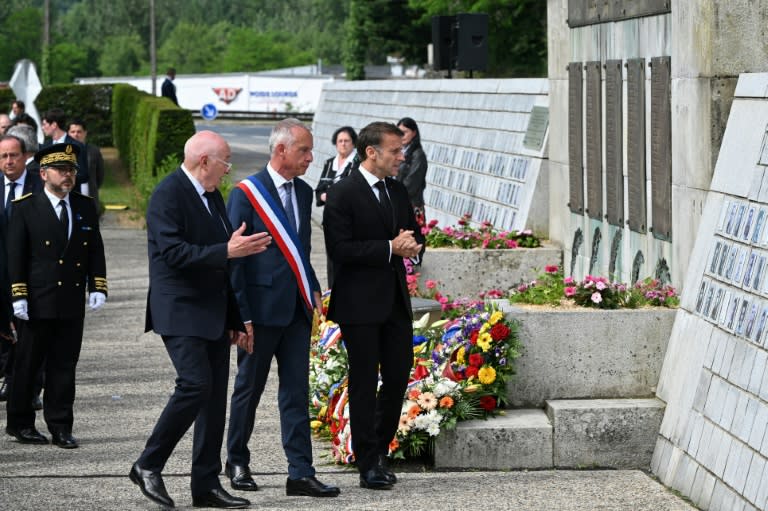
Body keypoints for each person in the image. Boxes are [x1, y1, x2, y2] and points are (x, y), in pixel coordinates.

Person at [129, 131, 271, 510]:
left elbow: (221, 263)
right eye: (225, 162)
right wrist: (227, 249)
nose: (227, 171)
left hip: (211, 312)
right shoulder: (168, 194)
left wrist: (236, 318)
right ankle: (148, 464)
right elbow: (173, 253)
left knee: (212, 400)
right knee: (194, 386)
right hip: (179, 309)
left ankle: (205, 485)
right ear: (204, 161)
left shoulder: (211, 197)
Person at [225, 118, 340, 498]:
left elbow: (300, 251)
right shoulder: (246, 193)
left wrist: (314, 288)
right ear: (281, 151)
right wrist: (240, 316)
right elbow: (235, 261)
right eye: (304, 150)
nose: (310, 157)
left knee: (295, 391)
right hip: (259, 310)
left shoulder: (305, 193)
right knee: (249, 389)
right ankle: (237, 461)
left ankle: (300, 472)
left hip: (296, 309)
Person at [322, 121, 424, 490]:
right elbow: (341, 250)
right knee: (364, 380)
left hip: (395, 299)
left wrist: (412, 247)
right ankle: (367, 461)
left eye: (401, 151)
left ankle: (380, 448)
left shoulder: (396, 190)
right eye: (395, 151)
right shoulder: (343, 193)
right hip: (359, 303)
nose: (401, 157)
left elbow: (413, 234)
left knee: (398, 374)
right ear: (371, 152)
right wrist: (389, 248)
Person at [5, 142, 107, 450]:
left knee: (64, 365)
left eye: (72, 170)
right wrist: (18, 294)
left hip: (70, 300)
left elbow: (94, 249)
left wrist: (97, 285)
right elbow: (16, 255)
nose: (68, 176)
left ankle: (61, 425)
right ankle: (20, 423)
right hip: (37, 300)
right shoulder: (25, 207)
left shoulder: (84, 205)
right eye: (61, 170)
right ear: (44, 172)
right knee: (28, 364)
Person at [0, 134, 43, 405]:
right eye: (3, 156)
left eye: (13, 155)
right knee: (5, 333)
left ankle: (31, 389)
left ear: (25, 156)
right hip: (0, 274)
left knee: (33, 336)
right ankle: (9, 380)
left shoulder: (39, 185)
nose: (8, 161)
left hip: (31, 274)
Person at [315, 126, 358, 287]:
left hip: (349, 220)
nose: (343, 144)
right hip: (330, 218)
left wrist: (331, 195)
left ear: (353, 143)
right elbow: (319, 189)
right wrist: (324, 195)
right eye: (340, 141)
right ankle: (332, 291)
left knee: (346, 257)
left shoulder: (357, 164)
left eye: (347, 141)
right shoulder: (329, 163)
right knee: (331, 257)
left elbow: (352, 191)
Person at [41, 109, 90, 197]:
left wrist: (64, 177)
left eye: (44, 124)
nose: (42, 127)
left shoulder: (76, 146)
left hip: (71, 198)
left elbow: (84, 175)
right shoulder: (45, 146)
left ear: (54, 125)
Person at [395, 117, 428, 226]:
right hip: (398, 205)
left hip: (412, 206)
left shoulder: (418, 155)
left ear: (414, 133)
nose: (401, 135)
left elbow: (411, 185)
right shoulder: (399, 152)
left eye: (405, 132)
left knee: (413, 240)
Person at [67, 119, 105, 210]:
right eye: (73, 132)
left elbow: (100, 175)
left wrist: (93, 186)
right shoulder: (64, 152)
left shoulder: (94, 151)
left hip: (90, 197)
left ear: (85, 133)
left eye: (79, 132)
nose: (76, 135)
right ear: (68, 133)